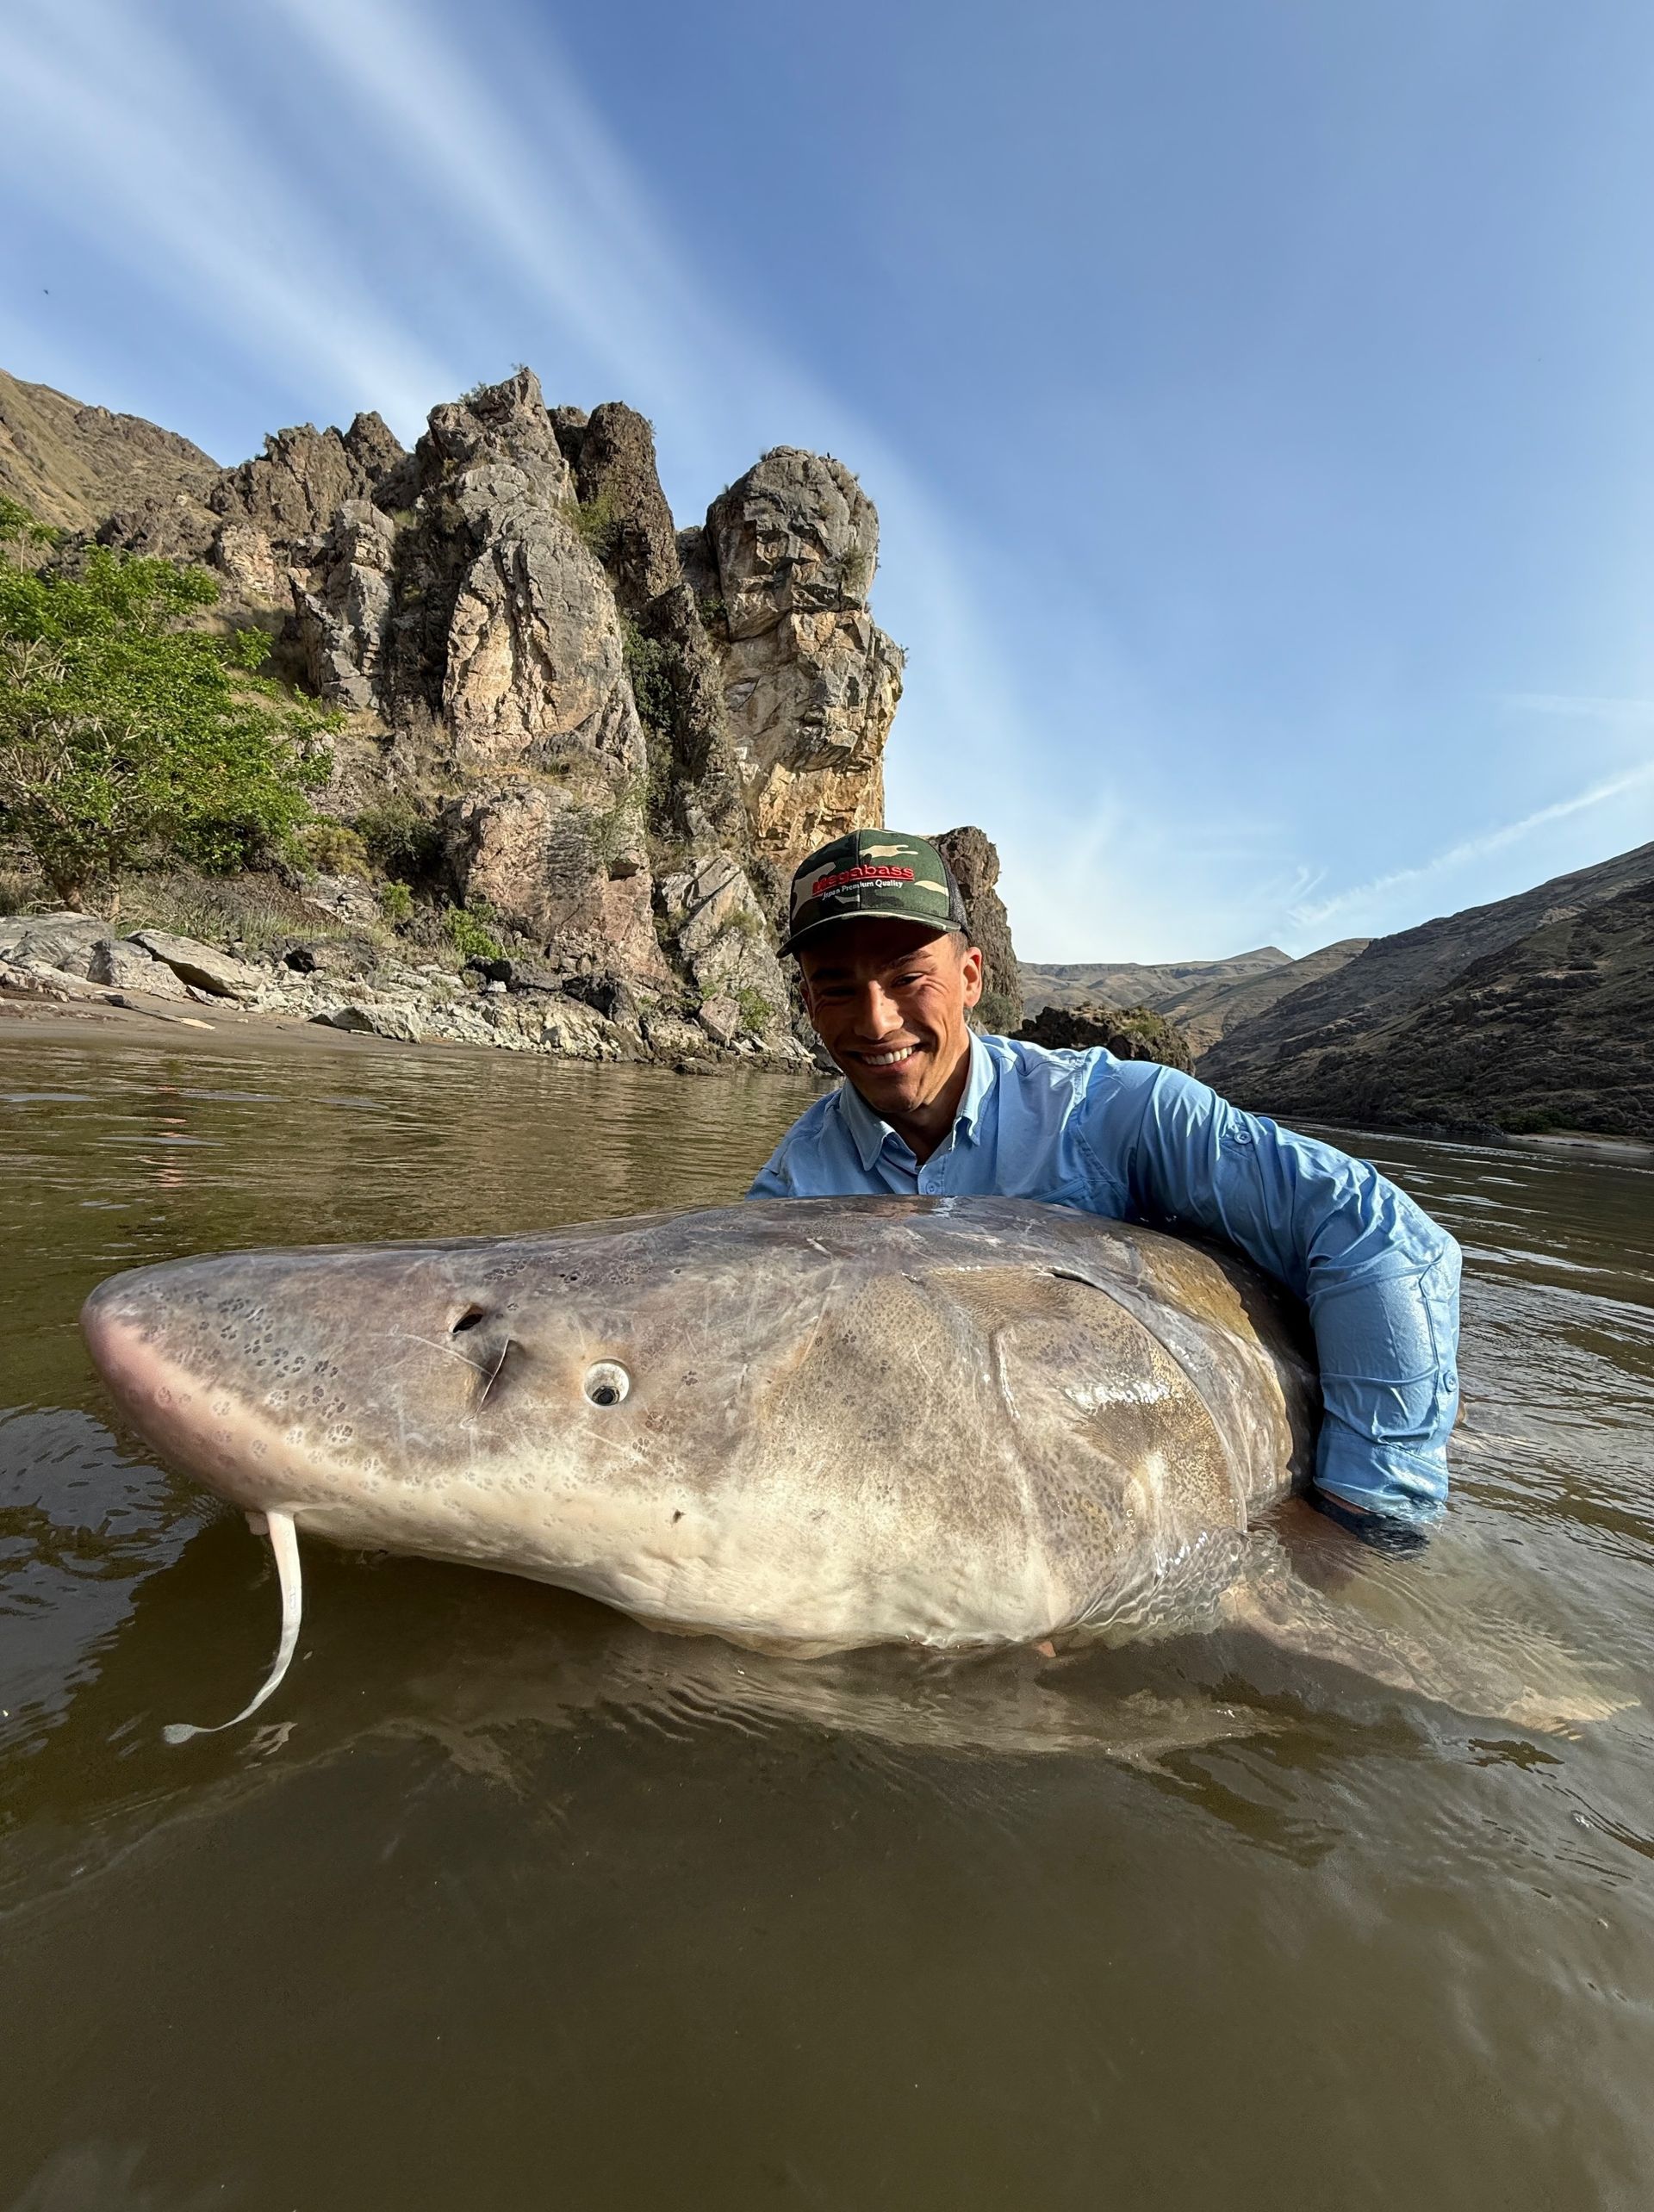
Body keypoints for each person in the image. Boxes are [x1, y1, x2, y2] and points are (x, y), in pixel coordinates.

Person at [749, 829, 1461, 1535]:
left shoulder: (1120, 1111)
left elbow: (1379, 1235)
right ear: (808, 1003)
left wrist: (1359, 1515)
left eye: (908, 978)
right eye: (837, 987)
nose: (876, 1021)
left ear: (970, 977)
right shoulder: (796, 1183)